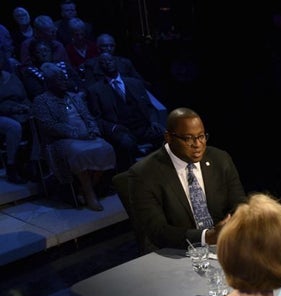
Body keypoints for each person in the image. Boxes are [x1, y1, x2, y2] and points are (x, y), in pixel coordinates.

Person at [127, 107, 247, 249]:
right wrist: (208, 237)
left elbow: (239, 205)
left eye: (201, 136)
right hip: (179, 250)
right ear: (169, 138)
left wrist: (232, 226)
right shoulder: (143, 174)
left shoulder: (220, 159)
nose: (197, 145)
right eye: (188, 138)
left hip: (225, 243)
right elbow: (157, 231)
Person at [32, 62, 116, 211]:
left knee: (107, 148)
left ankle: (83, 190)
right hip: (61, 140)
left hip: (86, 136)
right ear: (49, 82)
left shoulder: (74, 96)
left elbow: (88, 117)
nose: (64, 81)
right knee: (80, 153)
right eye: (59, 79)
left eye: (64, 78)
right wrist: (77, 134)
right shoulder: (41, 101)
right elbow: (49, 126)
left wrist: (93, 130)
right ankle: (90, 195)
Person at [85, 53, 164, 171]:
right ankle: (132, 177)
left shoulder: (135, 83)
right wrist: (113, 128)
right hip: (121, 129)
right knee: (126, 144)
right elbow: (97, 118)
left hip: (143, 126)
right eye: (103, 62)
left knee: (165, 136)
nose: (107, 63)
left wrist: (153, 121)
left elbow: (149, 106)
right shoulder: (95, 90)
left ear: (116, 62)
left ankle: (163, 171)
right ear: (100, 67)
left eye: (110, 60)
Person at [0, 50, 33, 184]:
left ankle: (33, 163)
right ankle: (12, 165)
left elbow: (24, 97)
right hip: (3, 114)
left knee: (38, 120)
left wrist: (28, 108)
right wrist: (12, 109)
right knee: (14, 127)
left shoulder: (12, 76)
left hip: (20, 111)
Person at [18, 38, 84, 100]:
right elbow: (37, 93)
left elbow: (78, 83)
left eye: (46, 50)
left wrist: (81, 93)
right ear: (33, 57)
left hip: (74, 98)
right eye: (39, 52)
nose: (44, 54)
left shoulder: (63, 65)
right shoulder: (31, 72)